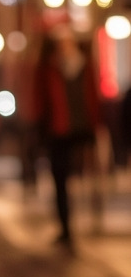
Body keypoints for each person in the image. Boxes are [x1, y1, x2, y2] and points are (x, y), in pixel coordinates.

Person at [34, 26, 101, 245]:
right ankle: (66, 227)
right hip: (58, 131)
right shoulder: (48, 69)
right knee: (60, 180)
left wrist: (96, 124)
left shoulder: (86, 66)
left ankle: (93, 220)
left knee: (89, 178)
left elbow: (93, 96)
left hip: (83, 129)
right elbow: (41, 101)